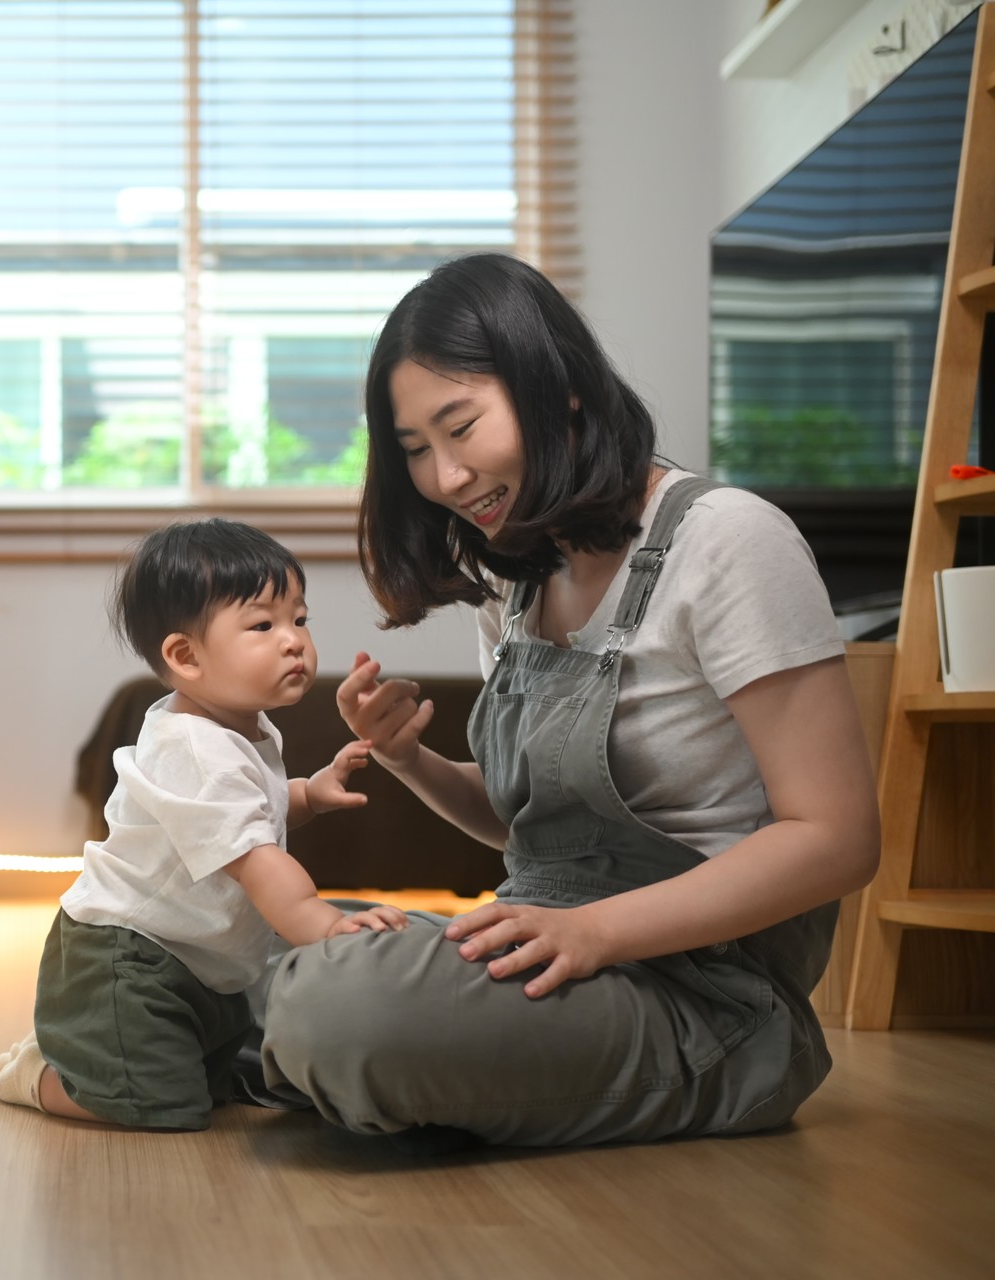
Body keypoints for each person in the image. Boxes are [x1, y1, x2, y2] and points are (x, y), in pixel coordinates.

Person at [254, 252, 881, 1149]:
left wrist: (596, 932)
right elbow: (534, 835)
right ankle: (257, 1037)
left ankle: (262, 1050)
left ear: (560, 389)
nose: (445, 478)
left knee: (338, 1004)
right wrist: (408, 759)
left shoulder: (732, 540)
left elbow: (838, 839)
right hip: (554, 952)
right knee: (256, 941)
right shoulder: (518, 577)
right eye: (416, 452)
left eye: (460, 427)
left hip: (708, 1001)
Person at [0, 517, 404, 1130]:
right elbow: (255, 859)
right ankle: (40, 1076)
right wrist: (326, 925)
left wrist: (307, 793)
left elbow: (251, 813)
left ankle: (100, 1065)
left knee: (214, 1089)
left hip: (203, 958)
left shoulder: (242, 728)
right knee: (163, 1108)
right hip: (128, 958)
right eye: (262, 625)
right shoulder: (196, 748)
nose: (293, 640)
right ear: (185, 656)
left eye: (299, 619)